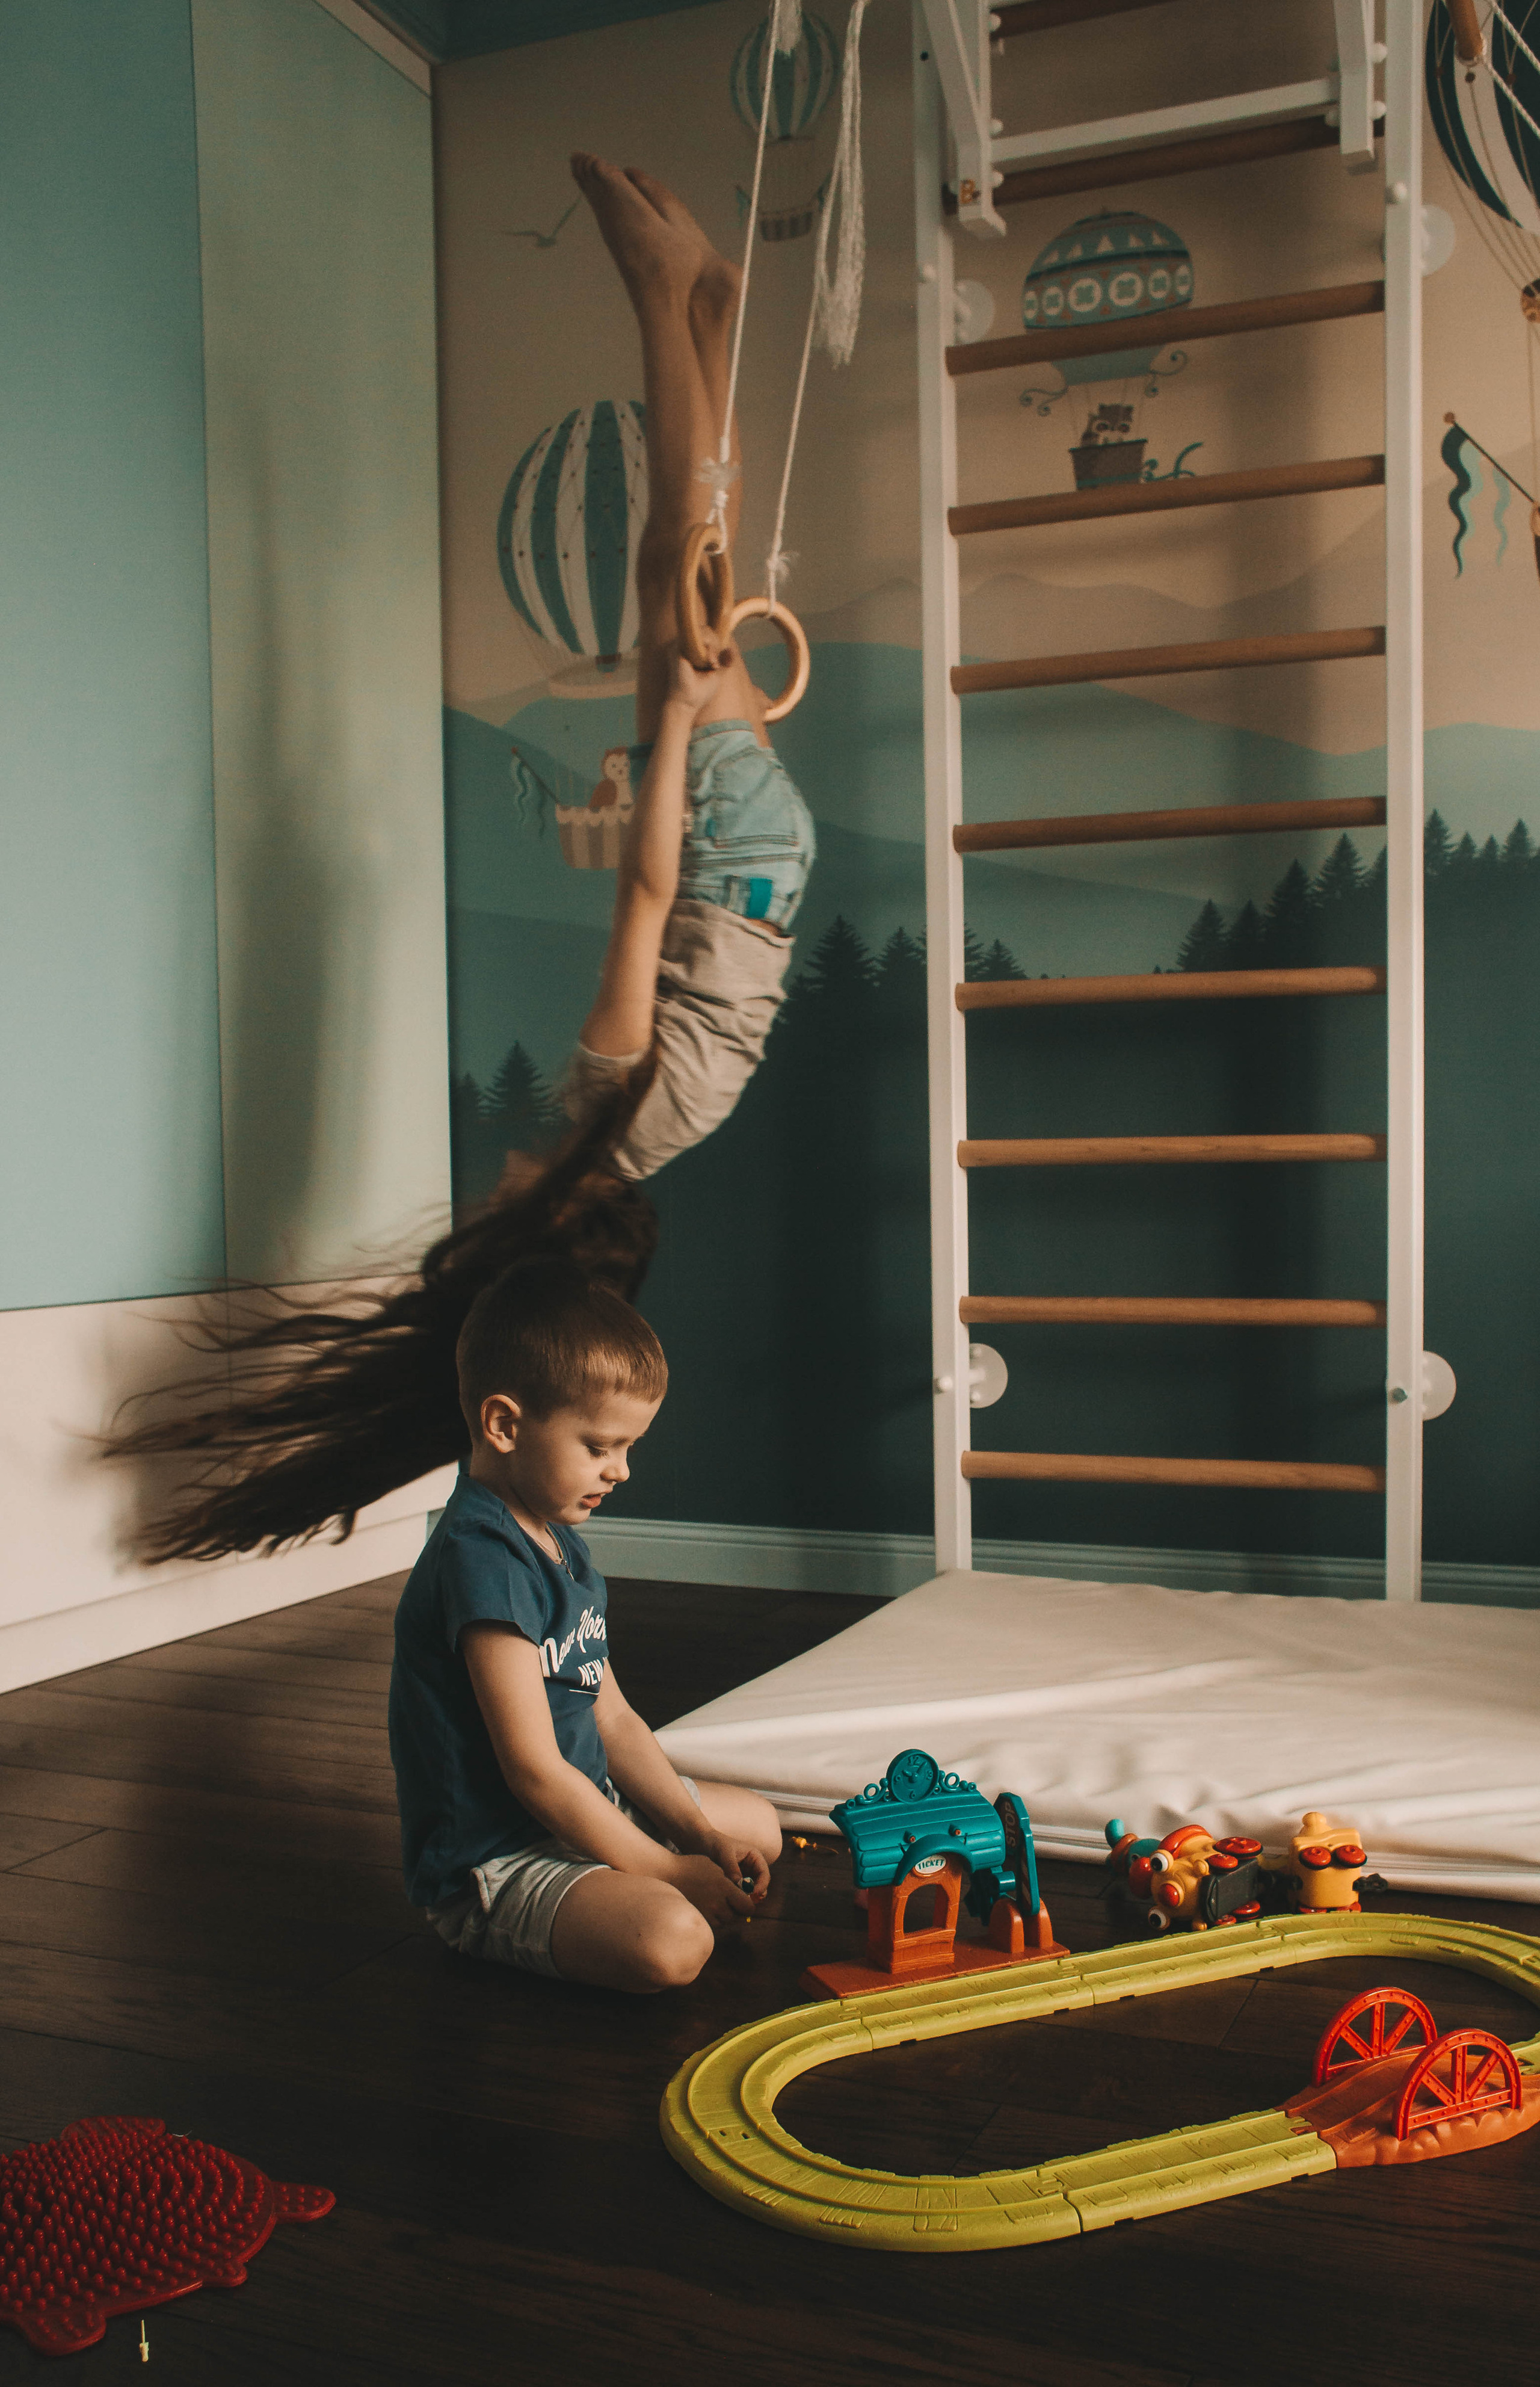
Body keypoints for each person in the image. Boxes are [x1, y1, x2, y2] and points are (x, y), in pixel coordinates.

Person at [104, 156, 810, 1561]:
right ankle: (664, 296)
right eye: (497, 1213)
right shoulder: (603, 1097)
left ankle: (708, 316)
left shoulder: (647, 1137)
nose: (486, 1186)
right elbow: (648, 894)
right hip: (724, 840)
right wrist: (674, 731)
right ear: (544, 1215)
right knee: (673, 555)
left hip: (765, 868)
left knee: (689, 562)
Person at [390, 1256, 781, 1990]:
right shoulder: (481, 1561)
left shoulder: (554, 1536)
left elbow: (613, 1718)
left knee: (757, 1824)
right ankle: (567, 1904)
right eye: (599, 1447)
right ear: (505, 1424)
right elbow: (534, 1770)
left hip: (584, 1805)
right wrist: (668, 1869)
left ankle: (635, 1867)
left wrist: (697, 1836)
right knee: (673, 1942)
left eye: (628, 1448)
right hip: (500, 1858)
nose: (620, 1470)